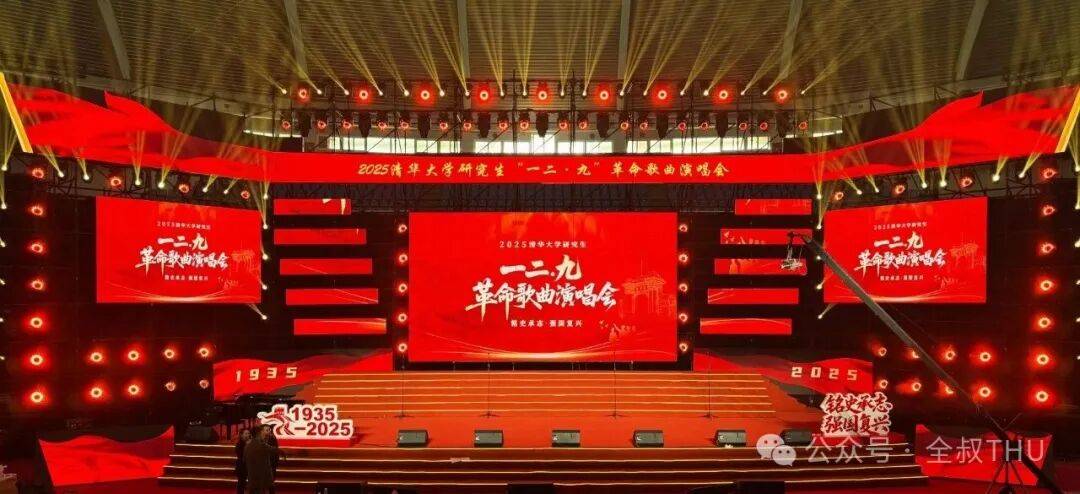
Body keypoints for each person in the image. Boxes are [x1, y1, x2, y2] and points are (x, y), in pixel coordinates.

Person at [243, 425, 281, 494]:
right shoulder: (259, 444)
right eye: (264, 431)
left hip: (255, 472)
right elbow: (273, 449)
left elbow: (244, 459)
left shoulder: (249, 445)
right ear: (259, 433)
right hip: (259, 472)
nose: (267, 432)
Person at [234, 428, 251, 494]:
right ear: (241, 435)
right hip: (241, 466)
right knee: (241, 483)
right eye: (246, 433)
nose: (248, 435)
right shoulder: (239, 444)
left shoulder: (251, 443)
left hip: (249, 466)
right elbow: (241, 455)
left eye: (248, 433)